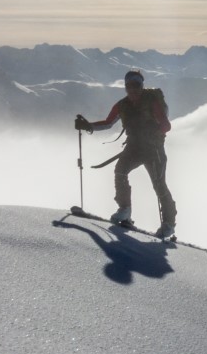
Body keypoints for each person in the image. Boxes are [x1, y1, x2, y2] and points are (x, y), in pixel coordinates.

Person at [75, 70, 176, 239]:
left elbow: (166, 125)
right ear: (126, 87)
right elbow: (108, 123)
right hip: (135, 147)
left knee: (159, 185)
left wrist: (154, 132)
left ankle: (168, 223)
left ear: (141, 86)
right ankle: (125, 210)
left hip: (153, 149)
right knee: (120, 171)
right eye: (129, 86)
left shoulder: (152, 102)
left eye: (136, 85)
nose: (133, 89)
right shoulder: (122, 105)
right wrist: (87, 126)